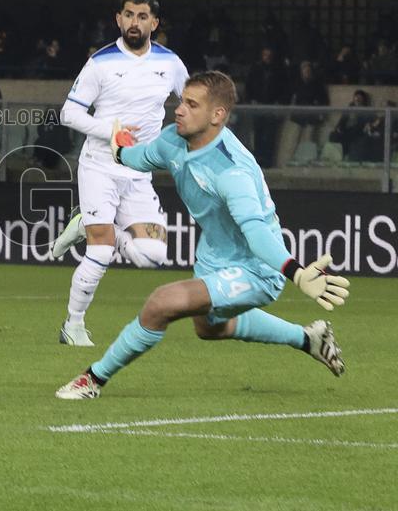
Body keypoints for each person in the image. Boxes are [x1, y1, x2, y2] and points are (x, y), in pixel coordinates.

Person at [56, 72, 350, 400]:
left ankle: (93, 379)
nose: (179, 109)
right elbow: (138, 158)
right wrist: (119, 146)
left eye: (191, 104)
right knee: (209, 328)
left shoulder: (230, 169)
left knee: (161, 303)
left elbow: (256, 232)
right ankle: (309, 339)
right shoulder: (172, 140)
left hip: (256, 268)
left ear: (217, 115)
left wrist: (296, 272)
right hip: (215, 250)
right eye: (181, 100)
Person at [50, 0, 189, 347]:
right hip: (99, 166)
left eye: (142, 16)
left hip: (139, 171)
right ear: (118, 19)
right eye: (128, 15)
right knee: (100, 250)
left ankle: (86, 223)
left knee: (153, 254)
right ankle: (74, 325)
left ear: (154, 23)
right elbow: (70, 113)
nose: (134, 22)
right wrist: (111, 131)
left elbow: (193, 103)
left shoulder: (171, 63)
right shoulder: (101, 62)